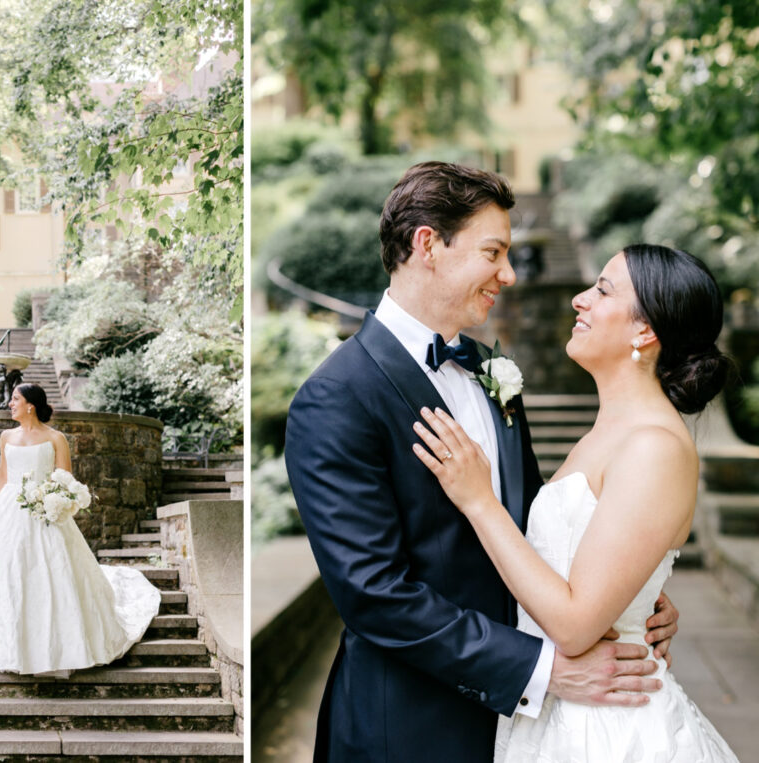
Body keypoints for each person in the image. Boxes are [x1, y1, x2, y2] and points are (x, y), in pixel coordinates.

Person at [284, 162, 679, 762]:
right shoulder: (337, 396)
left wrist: (632, 596)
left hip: (526, 729)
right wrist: (544, 670)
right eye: (493, 252)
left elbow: (540, 525)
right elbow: (374, 594)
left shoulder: (490, 373)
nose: (510, 274)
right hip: (411, 728)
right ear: (428, 246)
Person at [412, 244, 738, 761]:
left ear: (645, 331)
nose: (579, 300)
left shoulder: (654, 446)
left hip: (608, 727)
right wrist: (639, 592)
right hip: (560, 709)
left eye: (603, 290)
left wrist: (479, 501)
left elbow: (575, 624)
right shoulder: (605, 434)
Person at [0, 382, 161, 673]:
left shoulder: (55, 438)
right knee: (8, 571)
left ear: (30, 405)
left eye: (14, 399)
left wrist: (51, 500)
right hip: (11, 511)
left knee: (52, 571)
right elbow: (4, 477)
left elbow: (65, 480)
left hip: (43, 511)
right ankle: (9, 640)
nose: (10, 404)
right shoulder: (7, 436)